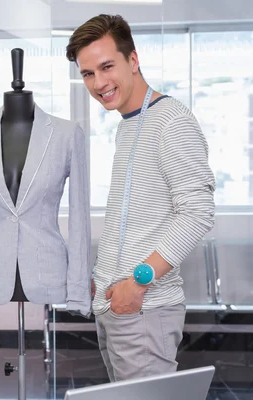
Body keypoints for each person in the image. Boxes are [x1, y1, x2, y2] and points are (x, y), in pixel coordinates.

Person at [66, 14, 215, 381]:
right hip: (116, 308)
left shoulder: (171, 121)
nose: (99, 83)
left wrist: (138, 282)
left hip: (145, 310)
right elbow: (135, 219)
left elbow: (197, 212)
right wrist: (102, 276)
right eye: (88, 74)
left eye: (106, 67)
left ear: (133, 60)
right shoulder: (129, 124)